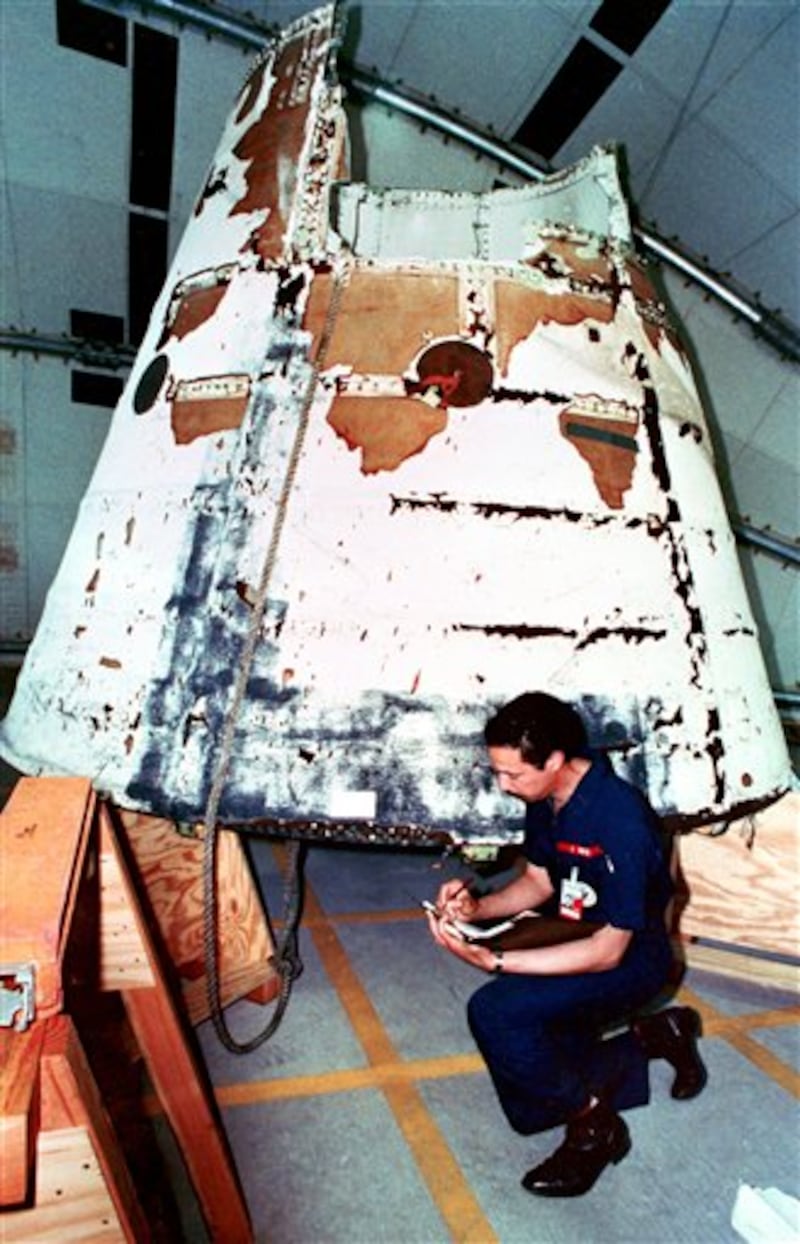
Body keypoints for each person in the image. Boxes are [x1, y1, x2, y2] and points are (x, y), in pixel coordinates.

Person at [427, 691, 706, 1197]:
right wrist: (477, 907)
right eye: (497, 771)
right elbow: (538, 881)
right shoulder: (549, 795)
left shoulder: (619, 819)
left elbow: (608, 952)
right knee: (531, 1107)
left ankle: (595, 1124)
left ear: (554, 760)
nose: (502, 785)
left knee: (496, 1011)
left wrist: (498, 958)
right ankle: (656, 1037)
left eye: (513, 774)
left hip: (632, 956)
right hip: (576, 930)